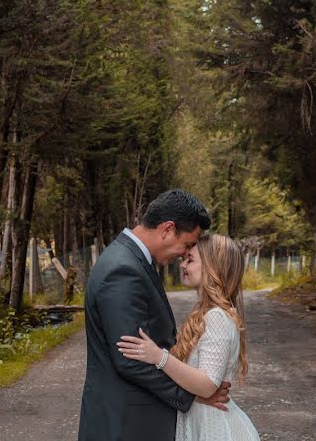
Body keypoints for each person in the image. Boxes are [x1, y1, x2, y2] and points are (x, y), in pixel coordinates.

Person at [78, 189, 230, 441]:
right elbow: (129, 358)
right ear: (168, 229)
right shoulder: (123, 269)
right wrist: (193, 396)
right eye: (188, 244)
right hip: (126, 425)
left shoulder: (133, 260)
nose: (185, 254)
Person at [118, 234, 260, 441]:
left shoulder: (217, 318)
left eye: (190, 260)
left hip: (213, 429)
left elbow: (207, 384)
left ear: (213, 267)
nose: (182, 264)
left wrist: (159, 357)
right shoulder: (207, 314)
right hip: (200, 420)